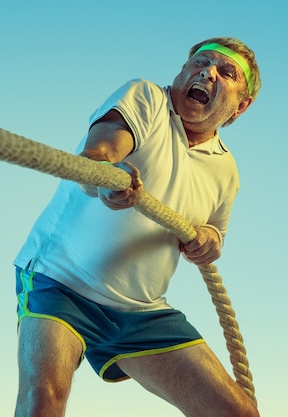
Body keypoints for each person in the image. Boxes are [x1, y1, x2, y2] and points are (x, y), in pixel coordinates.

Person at [13, 37, 262, 417]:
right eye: (200, 62)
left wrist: (210, 241)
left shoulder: (227, 171)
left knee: (237, 413)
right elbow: (97, 157)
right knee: (42, 399)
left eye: (225, 72)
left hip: (141, 310)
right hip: (61, 282)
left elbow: (214, 234)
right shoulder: (146, 97)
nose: (206, 72)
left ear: (240, 107)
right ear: (182, 71)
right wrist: (107, 175)